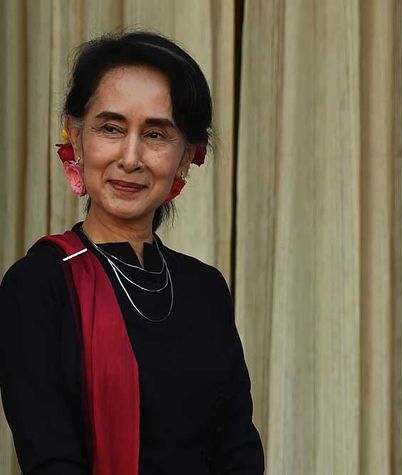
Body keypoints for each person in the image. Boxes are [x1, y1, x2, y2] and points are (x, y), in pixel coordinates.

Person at [0, 32, 264, 474]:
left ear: (186, 157)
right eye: (111, 128)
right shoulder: (37, 284)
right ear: (76, 138)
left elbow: (239, 449)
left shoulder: (205, 288)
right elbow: (51, 459)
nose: (131, 157)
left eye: (156, 134)